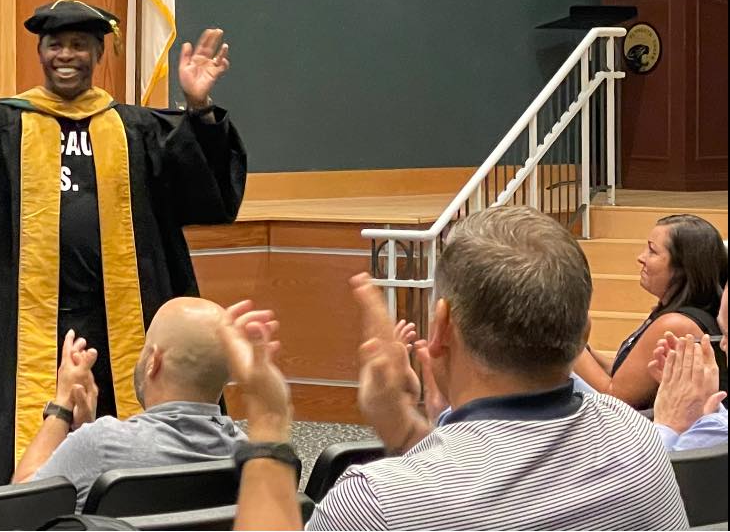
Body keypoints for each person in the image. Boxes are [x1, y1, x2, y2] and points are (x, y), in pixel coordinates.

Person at [0, 0, 246, 483]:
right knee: (16, 443)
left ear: (99, 54)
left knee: (130, 453)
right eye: (55, 44)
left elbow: (207, 191)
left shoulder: (136, 130)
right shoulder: (2, 126)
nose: (66, 54)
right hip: (25, 322)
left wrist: (199, 107)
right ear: (40, 52)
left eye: (79, 45)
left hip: (124, 321)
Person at [221, 206, 689, 531]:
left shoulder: (377, 503)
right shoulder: (639, 442)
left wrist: (267, 421)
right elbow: (502, 483)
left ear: (441, 326)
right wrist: (402, 427)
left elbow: (463, 491)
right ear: (583, 333)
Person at [11, 297, 245, 510]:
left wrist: (61, 408)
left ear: (154, 362)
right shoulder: (249, 455)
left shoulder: (100, 445)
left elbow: (20, 506)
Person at [574, 214, 727, 409]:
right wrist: (583, 347)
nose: (641, 258)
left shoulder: (676, 325)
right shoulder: (677, 312)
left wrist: (564, 343)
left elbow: (615, 397)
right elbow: (623, 372)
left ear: (682, 268)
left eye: (652, 251)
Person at [650, 285, 728, 450]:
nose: (722, 344)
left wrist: (668, 424)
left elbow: (647, 471)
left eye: (727, 334)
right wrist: (703, 403)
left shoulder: (718, 431)